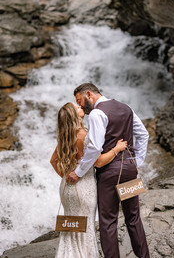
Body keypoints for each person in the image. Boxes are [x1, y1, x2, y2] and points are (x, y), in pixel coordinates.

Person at [67, 83, 150, 258]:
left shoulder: (97, 113)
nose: (80, 106)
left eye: (80, 101)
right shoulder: (126, 108)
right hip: (129, 169)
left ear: (89, 94)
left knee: (108, 221)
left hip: (109, 172)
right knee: (133, 218)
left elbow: (95, 148)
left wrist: (79, 172)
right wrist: (136, 162)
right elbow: (143, 134)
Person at [50, 102, 127, 258]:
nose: (81, 107)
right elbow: (98, 161)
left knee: (71, 228)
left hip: (66, 187)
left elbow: (53, 161)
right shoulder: (84, 136)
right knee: (86, 227)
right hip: (84, 185)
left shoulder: (65, 136)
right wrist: (116, 149)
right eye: (77, 107)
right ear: (74, 115)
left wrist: (66, 176)